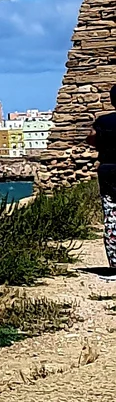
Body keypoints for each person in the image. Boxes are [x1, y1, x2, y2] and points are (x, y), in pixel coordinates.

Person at [90, 84, 116, 273]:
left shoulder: (103, 122)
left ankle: (115, 262)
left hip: (109, 170)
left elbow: (90, 139)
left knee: (111, 215)